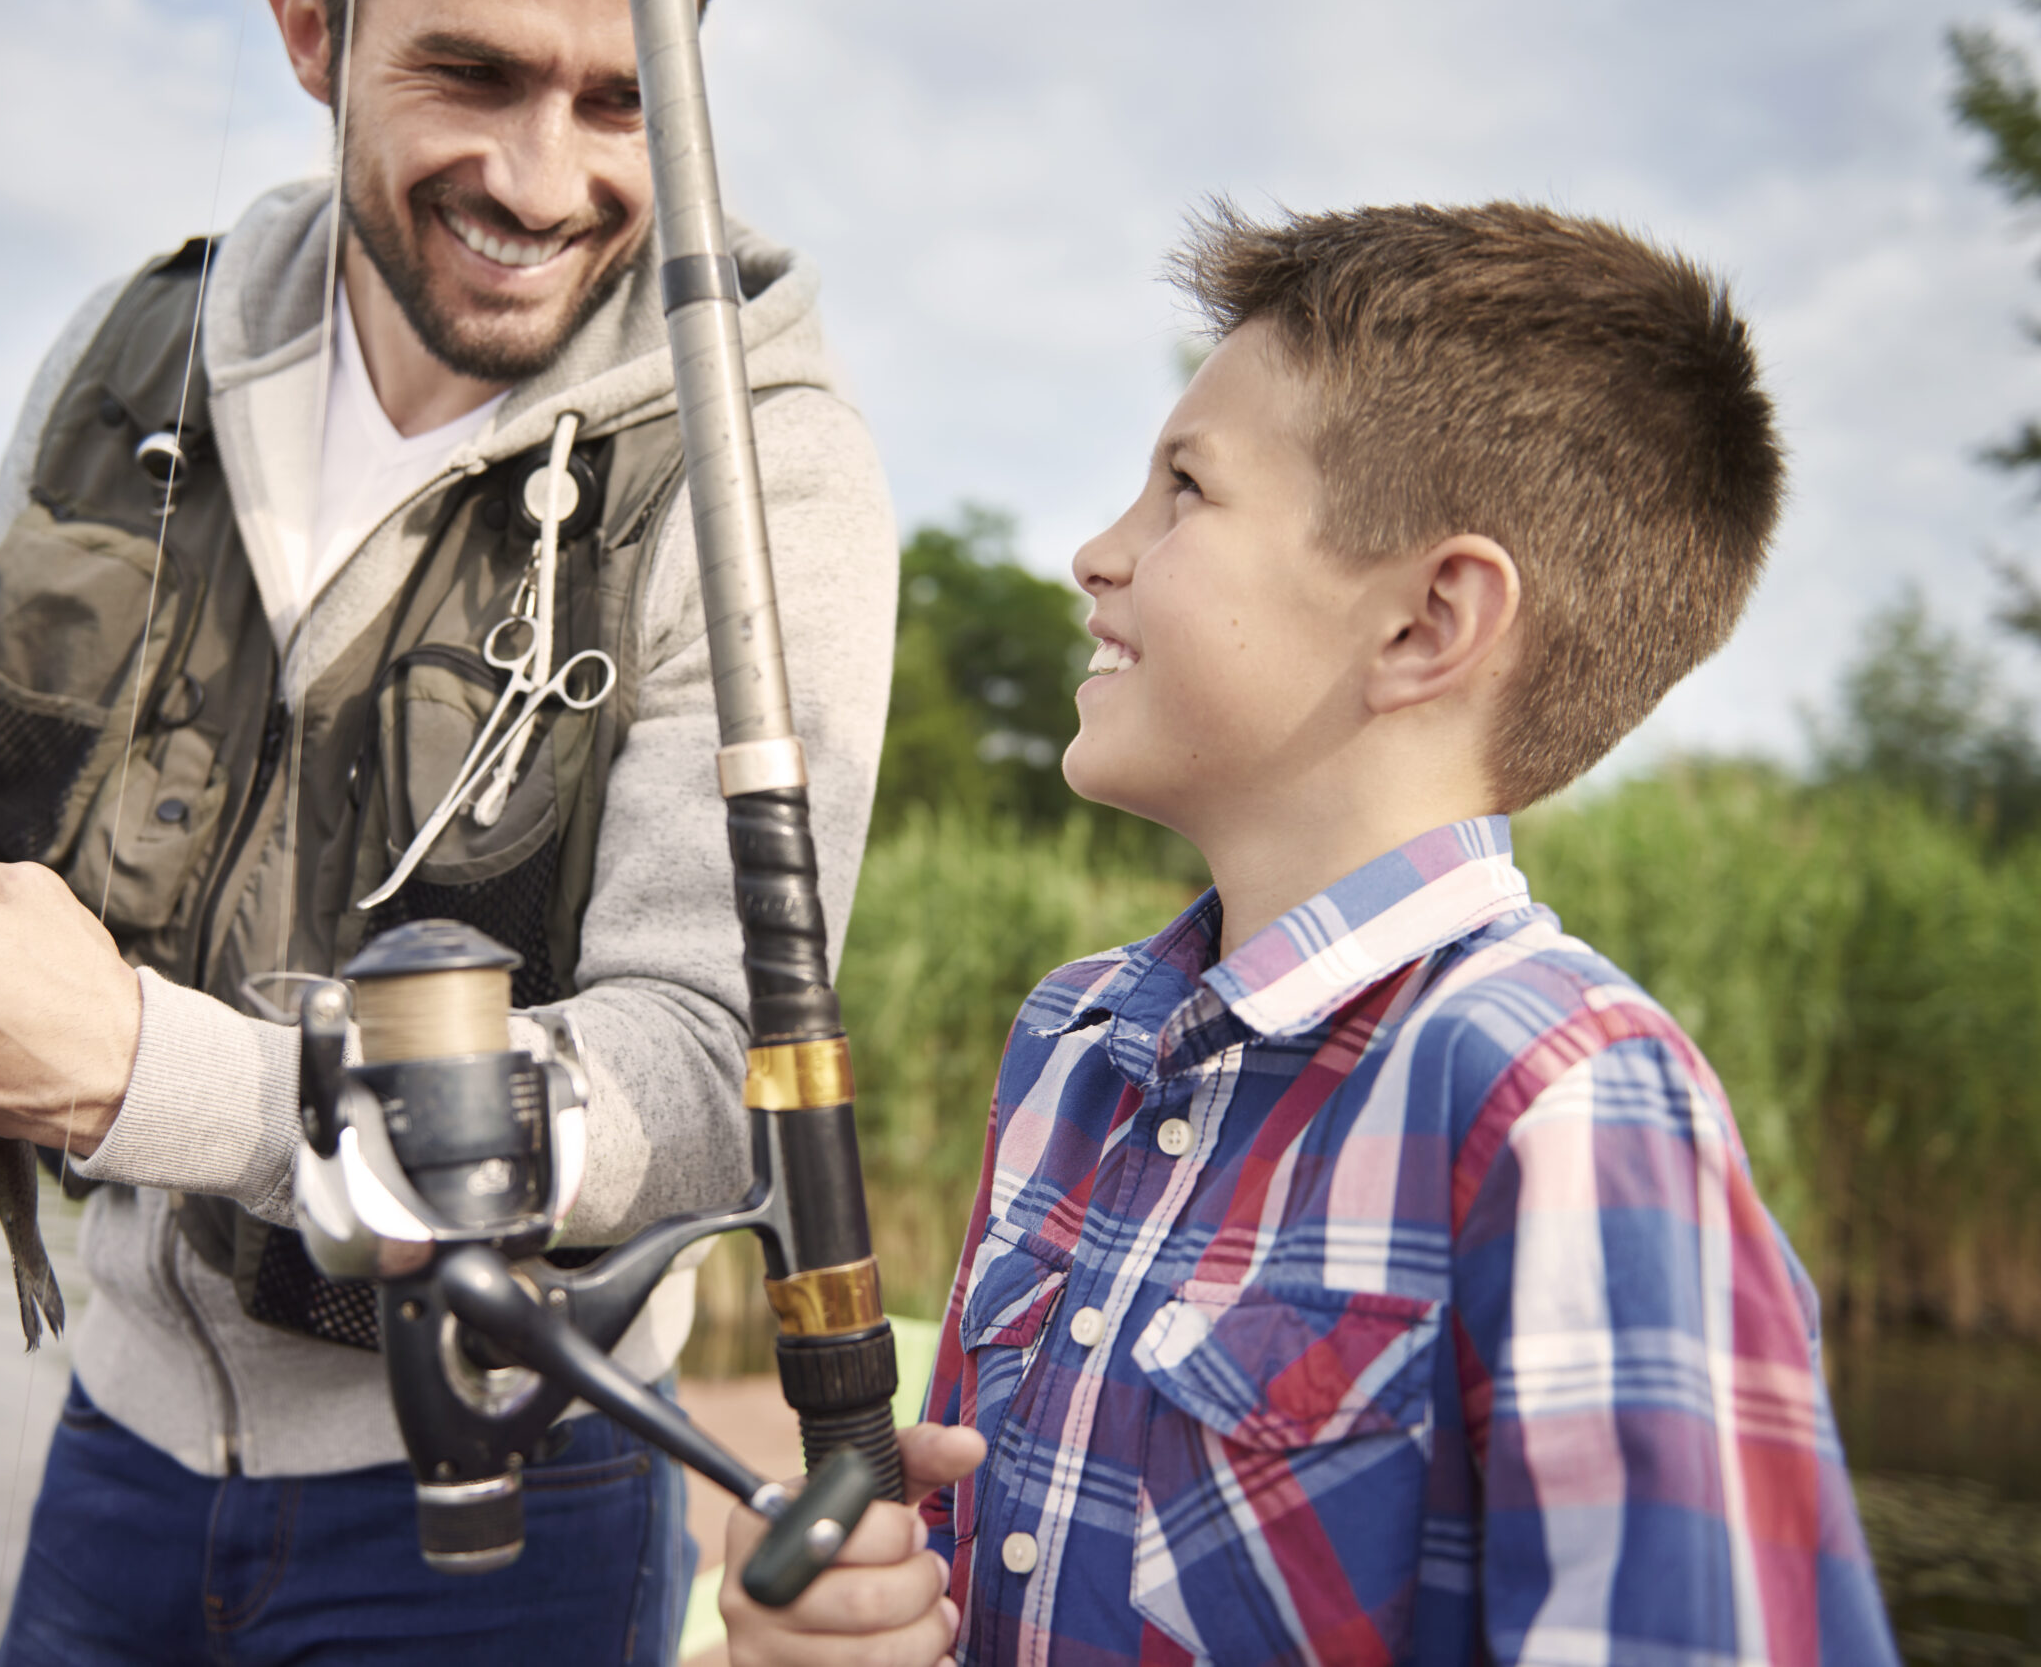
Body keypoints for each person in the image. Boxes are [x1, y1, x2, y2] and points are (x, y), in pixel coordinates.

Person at [0, 0, 897, 1661]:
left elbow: (711, 1078)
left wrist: (142, 1076)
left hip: (506, 1503)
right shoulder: (132, 352)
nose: (547, 177)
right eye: (475, 76)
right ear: (310, 26)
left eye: (624, 97)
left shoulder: (765, 465)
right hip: (115, 1443)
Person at [717, 202, 1898, 1666]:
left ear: (1427, 622)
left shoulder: (1566, 1104)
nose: (1097, 551)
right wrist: (845, 1625)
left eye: (1185, 492)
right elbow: (960, 1580)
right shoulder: (1071, 1040)